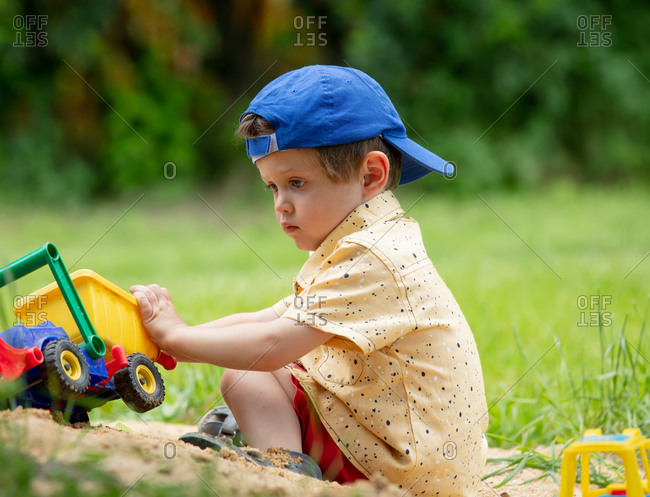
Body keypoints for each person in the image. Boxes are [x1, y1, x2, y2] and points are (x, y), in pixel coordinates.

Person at [131, 65, 488, 497]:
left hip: (401, 471)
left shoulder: (372, 256)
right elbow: (269, 318)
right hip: (436, 463)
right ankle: (271, 444)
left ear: (370, 176)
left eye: (296, 183)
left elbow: (271, 345)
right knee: (289, 371)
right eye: (272, 188)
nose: (281, 205)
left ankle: (283, 477)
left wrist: (181, 338)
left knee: (245, 379)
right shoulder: (372, 237)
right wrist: (169, 340)